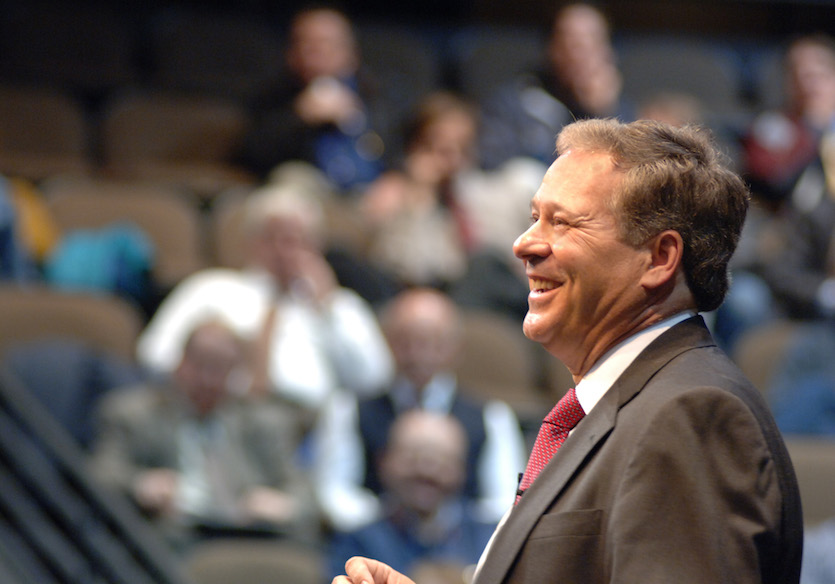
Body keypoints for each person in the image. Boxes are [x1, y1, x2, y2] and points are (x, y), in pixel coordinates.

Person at [332, 118, 803, 584]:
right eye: (535, 217)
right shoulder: (632, 406)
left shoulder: (692, 415)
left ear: (659, 259)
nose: (524, 244)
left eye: (563, 223)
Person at [136, 179, 393, 413]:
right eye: (273, 238)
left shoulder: (339, 306)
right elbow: (154, 353)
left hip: (315, 431)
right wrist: (221, 380)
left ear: (318, 247)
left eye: (298, 240)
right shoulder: (211, 289)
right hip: (228, 419)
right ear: (250, 243)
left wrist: (329, 308)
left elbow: (373, 379)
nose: (285, 251)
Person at [90, 319, 319, 551]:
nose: (209, 379)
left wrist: (284, 505)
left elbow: (307, 494)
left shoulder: (261, 423)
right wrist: (140, 484)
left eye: (221, 369)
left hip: (245, 536)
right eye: (201, 365)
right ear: (180, 362)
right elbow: (101, 473)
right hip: (172, 539)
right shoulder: (134, 414)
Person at [313, 287, 526, 532]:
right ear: (388, 342)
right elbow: (335, 495)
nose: (418, 354)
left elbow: (503, 503)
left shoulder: (492, 416)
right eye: (406, 341)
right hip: (375, 546)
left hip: (462, 548)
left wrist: (447, 524)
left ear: (456, 347)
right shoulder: (348, 410)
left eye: (432, 342)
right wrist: (390, 524)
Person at [240, 4, 396, 193]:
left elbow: (397, 151)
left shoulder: (375, 94)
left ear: (351, 52)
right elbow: (252, 155)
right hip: (308, 195)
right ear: (291, 53)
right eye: (306, 44)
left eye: (325, 44)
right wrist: (299, 117)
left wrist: (395, 181)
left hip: (367, 196)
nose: (314, 54)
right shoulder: (273, 95)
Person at [326, 410, 496, 580]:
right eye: (412, 457)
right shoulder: (358, 544)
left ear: (463, 470)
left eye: (443, 460)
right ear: (384, 461)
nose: (427, 470)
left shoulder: (490, 543)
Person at [478, 2, 634, 170]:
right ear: (551, 48)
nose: (580, 53)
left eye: (592, 40)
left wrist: (601, 114)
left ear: (609, 51)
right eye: (571, 41)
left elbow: (629, 172)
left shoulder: (618, 111)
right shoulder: (512, 103)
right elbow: (494, 166)